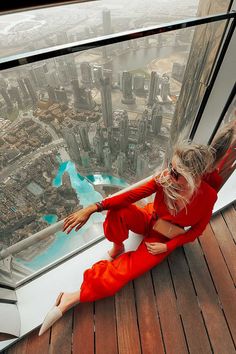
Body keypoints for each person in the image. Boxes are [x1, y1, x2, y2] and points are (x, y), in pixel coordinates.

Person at [39, 142, 218, 336]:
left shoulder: (208, 197)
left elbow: (197, 231)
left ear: (193, 178)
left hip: (164, 238)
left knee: (124, 272)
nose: (169, 174)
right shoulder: (165, 179)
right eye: (170, 167)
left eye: (175, 173)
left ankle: (71, 298)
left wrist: (168, 247)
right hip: (150, 218)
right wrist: (93, 208)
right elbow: (130, 196)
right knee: (118, 211)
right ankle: (118, 247)